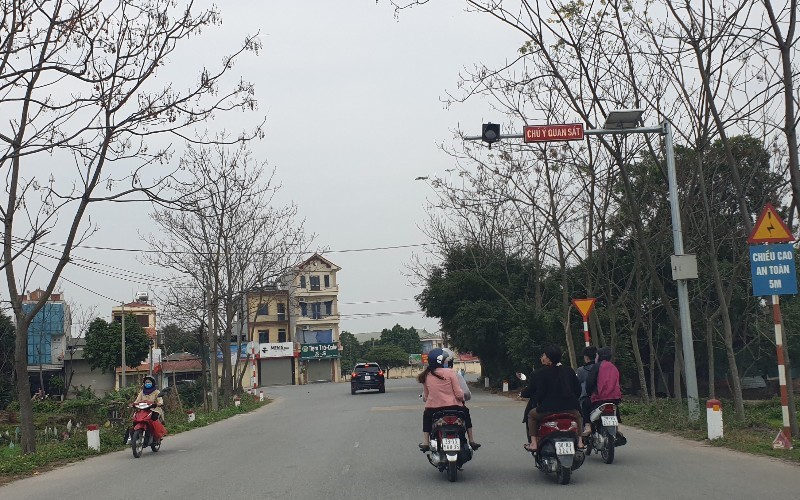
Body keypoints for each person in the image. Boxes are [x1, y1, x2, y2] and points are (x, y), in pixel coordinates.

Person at [521, 344, 582, 452]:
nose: (542, 357)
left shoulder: (538, 374)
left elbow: (530, 392)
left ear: (548, 358)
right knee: (578, 417)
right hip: (570, 408)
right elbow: (578, 390)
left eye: (543, 355)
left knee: (531, 415)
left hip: (547, 409)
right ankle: (580, 441)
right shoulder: (569, 371)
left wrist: (523, 393)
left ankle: (534, 443)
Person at [417, 348, 479, 451]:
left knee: (426, 417)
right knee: (466, 415)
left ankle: (426, 442)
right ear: (441, 361)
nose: (447, 361)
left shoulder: (426, 375)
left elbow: (426, 396)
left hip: (433, 410)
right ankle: (471, 441)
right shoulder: (450, 372)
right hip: (454, 407)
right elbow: (459, 393)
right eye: (445, 359)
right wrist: (462, 399)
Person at [585, 346, 625, 445]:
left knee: (585, 404)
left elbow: (590, 383)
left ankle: (588, 427)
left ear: (599, 356)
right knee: (615, 407)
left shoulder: (597, 366)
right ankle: (618, 427)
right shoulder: (614, 367)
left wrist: (589, 393)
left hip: (600, 398)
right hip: (615, 398)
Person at [133, 376, 167, 440]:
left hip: (154, 409)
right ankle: (133, 436)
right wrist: (133, 404)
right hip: (143, 410)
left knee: (154, 417)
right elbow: (137, 400)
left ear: (153, 383)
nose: (147, 383)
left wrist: (158, 403)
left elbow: (160, 400)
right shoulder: (142, 392)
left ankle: (158, 433)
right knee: (135, 418)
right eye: (146, 382)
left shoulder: (156, 392)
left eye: (149, 382)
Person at [576, 345, 597, 436]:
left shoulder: (581, 370)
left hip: (587, 398)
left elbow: (577, 384)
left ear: (586, 357)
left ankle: (586, 426)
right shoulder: (601, 367)